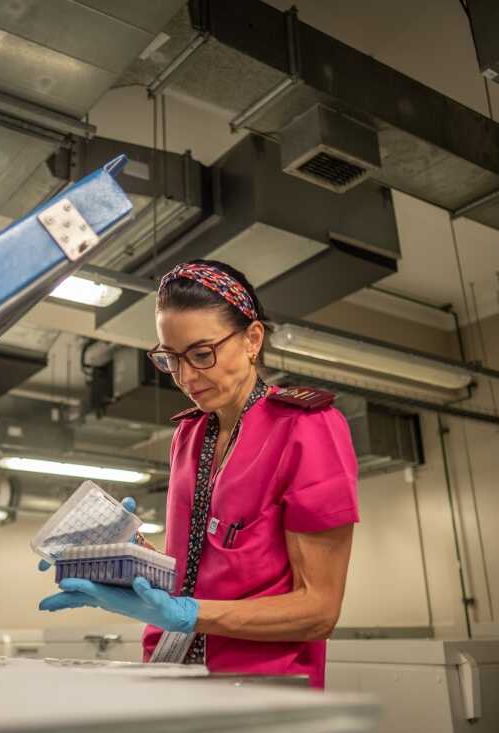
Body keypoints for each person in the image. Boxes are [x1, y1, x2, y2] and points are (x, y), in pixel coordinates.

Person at [39, 260, 359, 688]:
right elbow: (198, 569)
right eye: (170, 359)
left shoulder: (306, 427)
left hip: (260, 691)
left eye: (202, 354)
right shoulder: (190, 434)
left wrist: (189, 614)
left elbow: (319, 610)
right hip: (172, 672)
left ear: (252, 339)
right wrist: (129, 559)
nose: (186, 377)